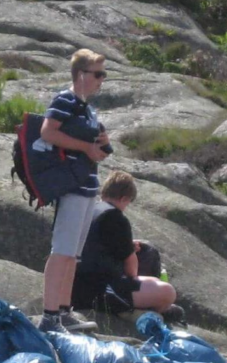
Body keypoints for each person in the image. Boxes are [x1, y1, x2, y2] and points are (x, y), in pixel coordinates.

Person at [37, 49, 110, 334]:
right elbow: (47, 132)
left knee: (73, 254)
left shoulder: (87, 107)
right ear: (81, 75)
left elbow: (96, 148)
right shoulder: (65, 100)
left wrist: (102, 141)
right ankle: (49, 316)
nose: (101, 80)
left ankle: (64, 311)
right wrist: (85, 147)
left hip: (88, 184)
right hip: (70, 185)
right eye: (97, 74)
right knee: (62, 251)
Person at [72, 171, 185, 323]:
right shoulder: (116, 217)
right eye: (128, 202)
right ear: (124, 198)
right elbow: (131, 270)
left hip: (75, 285)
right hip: (98, 291)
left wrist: (127, 246)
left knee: (145, 250)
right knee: (167, 292)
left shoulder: (90, 210)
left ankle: (138, 306)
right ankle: (138, 310)